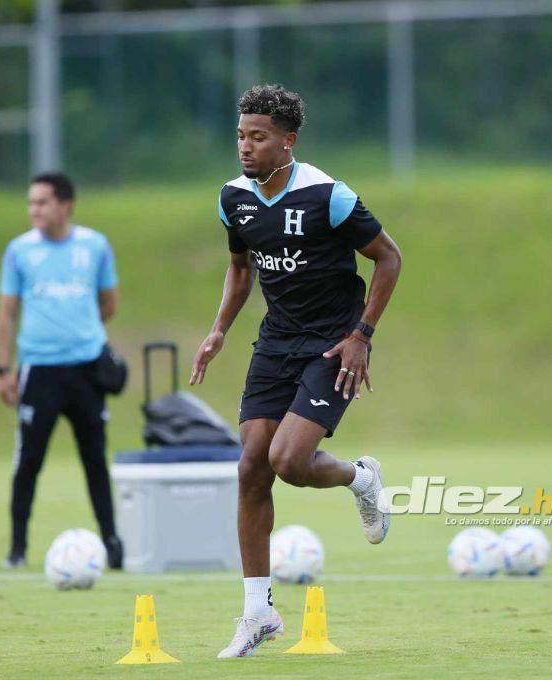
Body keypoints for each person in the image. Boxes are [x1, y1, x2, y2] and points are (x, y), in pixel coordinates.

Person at [190, 84, 403, 658]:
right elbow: (241, 269)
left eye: (258, 137)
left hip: (333, 346)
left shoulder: (327, 196)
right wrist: (218, 331)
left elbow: (390, 257)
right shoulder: (233, 198)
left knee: (288, 461)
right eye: (240, 135)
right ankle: (257, 613)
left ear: (288, 141)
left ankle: (361, 479)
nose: (245, 147)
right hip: (275, 344)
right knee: (251, 468)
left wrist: (362, 335)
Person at [0, 172, 124, 570]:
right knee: (29, 460)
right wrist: (4, 369)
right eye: (31, 203)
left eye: (42, 202)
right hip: (39, 371)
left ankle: (111, 542)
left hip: (86, 369)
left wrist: (80, 331)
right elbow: (6, 312)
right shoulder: (18, 251)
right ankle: (17, 549)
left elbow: (109, 303)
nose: (34, 209)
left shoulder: (95, 245)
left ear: (65, 205)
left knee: (94, 458)